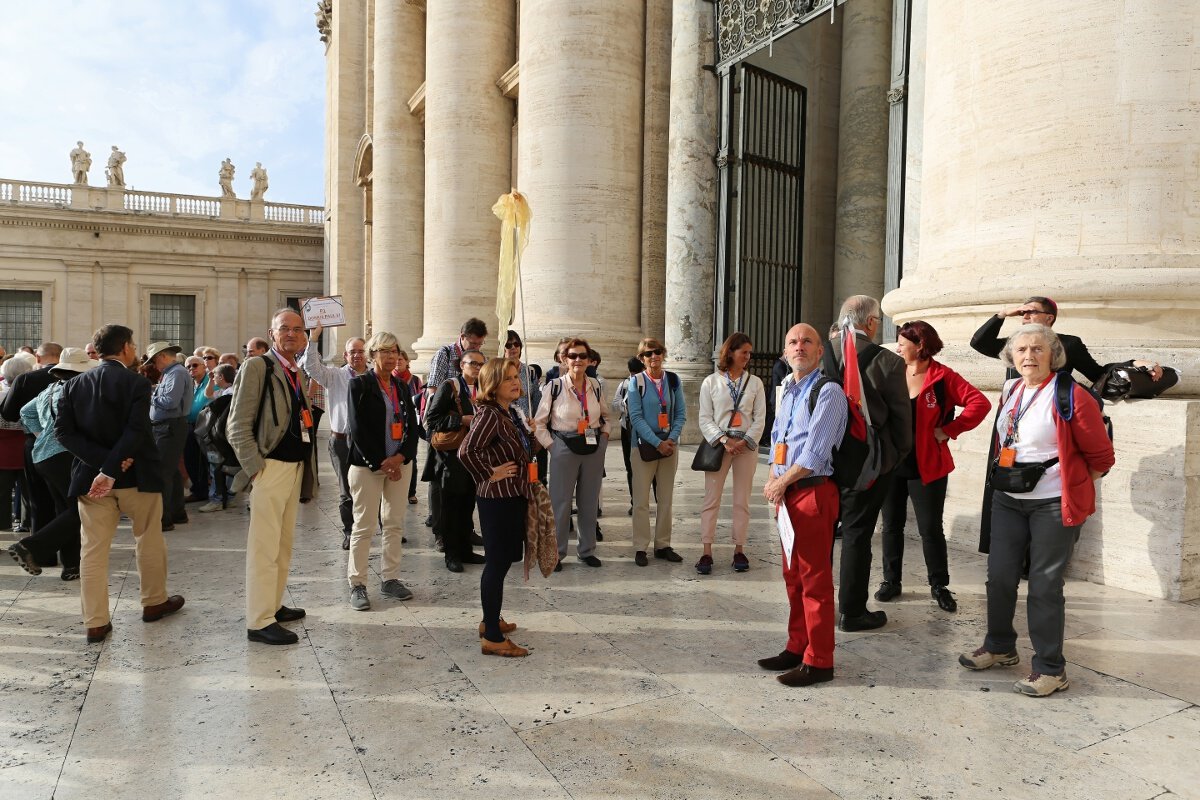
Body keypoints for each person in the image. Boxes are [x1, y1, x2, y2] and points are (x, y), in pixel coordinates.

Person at [959, 324, 1114, 697]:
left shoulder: (1072, 395)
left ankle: (1050, 668)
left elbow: (1102, 457)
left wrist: (1070, 484)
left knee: (1044, 585)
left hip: (1051, 503)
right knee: (999, 576)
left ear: (1053, 355)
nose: (1029, 356)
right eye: (1022, 349)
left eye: (1037, 349)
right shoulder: (1011, 389)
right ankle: (1000, 646)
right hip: (1008, 498)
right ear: (1011, 357)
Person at [969, 295, 1162, 553]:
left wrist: (1133, 363)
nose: (1024, 316)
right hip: (1013, 425)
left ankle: (1035, 559)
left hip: (1051, 423)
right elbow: (979, 343)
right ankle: (1005, 552)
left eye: (1030, 312)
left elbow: (1097, 372)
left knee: (1045, 495)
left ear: (1049, 318)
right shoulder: (1016, 343)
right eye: (1022, 313)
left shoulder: (1068, 343)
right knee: (1004, 484)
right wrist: (1004, 313)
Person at [54, 325, 185, 644]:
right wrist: (111, 466)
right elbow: (137, 430)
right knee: (148, 539)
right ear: (125, 347)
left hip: (91, 481)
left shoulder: (72, 386)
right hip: (136, 476)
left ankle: (96, 621)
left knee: (93, 551)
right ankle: (154, 602)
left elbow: (64, 433)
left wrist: (101, 465)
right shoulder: (136, 382)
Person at [876, 321, 991, 612]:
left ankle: (939, 585)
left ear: (921, 345)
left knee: (930, 529)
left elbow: (979, 403)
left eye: (903, 342)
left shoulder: (942, 377)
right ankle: (891, 581)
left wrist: (950, 429)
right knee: (891, 526)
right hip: (892, 463)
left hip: (928, 465)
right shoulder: (891, 370)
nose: (898, 346)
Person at [758, 323, 847, 687]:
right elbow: (778, 439)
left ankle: (820, 660)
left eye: (807, 341)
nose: (799, 346)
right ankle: (797, 645)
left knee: (814, 581)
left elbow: (814, 452)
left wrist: (780, 482)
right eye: (792, 341)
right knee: (792, 577)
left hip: (811, 491)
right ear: (784, 352)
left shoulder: (828, 392)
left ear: (820, 351)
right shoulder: (790, 391)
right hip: (787, 494)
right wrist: (771, 478)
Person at [227, 308, 317, 646]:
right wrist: (256, 468)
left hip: (294, 468)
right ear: (273, 332)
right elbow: (236, 424)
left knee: (283, 543)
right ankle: (259, 620)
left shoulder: (295, 369)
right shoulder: (257, 365)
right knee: (264, 547)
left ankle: (273, 605)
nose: (292, 334)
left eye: (298, 329)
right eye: (285, 329)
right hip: (271, 467)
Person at [826, 295, 912, 632]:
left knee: (822, 537)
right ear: (872, 323)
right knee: (857, 535)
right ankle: (852, 611)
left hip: (822, 459)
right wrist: (895, 456)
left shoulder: (823, 354)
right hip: (869, 463)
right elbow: (902, 421)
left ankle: (817, 607)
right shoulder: (889, 362)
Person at [458, 357, 537, 657]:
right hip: (497, 497)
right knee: (497, 562)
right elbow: (466, 452)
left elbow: (520, 452)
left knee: (503, 561)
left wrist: (529, 433)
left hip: (512, 494)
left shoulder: (509, 413)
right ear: (493, 384)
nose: (516, 383)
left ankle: (491, 619)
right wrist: (490, 472)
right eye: (509, 379)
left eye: (516, 377)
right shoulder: (489, 414)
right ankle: (491, 635)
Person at [345, 331, 419, 610]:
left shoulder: (401, 387)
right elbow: (358, 429)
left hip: (399, 465)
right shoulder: (360, 385)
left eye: (394, 352)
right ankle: (358, 584)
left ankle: (390, 578)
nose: (390, 357)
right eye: (384, 352)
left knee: (394, 524)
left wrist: (400, 457)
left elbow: (412, 427)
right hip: (368, 466)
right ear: (372, 354)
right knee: (363, 526)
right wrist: (382, 463)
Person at [9, 349, 96, 580]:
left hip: (43, 456)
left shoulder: (50, 389)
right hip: (64, 455)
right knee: (82, 509)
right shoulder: (75, 390)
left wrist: (41, 435)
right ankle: (30, 548)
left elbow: (25, 412)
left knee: (66, 510)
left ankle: (71, 567)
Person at [534, 338, 611, 569]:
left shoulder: (595, 386)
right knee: (560, 503)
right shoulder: (554, 386)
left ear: (590, 360)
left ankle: (586, 550)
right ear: (564, 360)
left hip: (592, 447)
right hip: (563, 447)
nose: (578, 360)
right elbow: (539, 423)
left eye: (582, 356)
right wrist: (552, 447)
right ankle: (556, 553)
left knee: (589, 502)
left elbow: (605, 416)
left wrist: (604, 439)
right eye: (573, 356)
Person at [697, 332, 767, 574]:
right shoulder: (711, 382)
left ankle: (739, 548)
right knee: (711, 499)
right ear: (730, 352)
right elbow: (705, 418)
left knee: (742, 500)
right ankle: (706, 551)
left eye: (749, 352)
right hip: (719, 446)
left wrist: (745, 441)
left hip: (746, 447)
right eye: (743, 352)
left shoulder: (755, 382)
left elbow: (760, 418)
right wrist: (725, 440)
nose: (748, 356)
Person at [302, 324, 368, 548]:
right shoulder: (335, 376)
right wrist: (313, 339)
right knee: (346, 490)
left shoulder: (375, 378)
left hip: (368, 442)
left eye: (361, 351)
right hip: (341, 441)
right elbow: (311, 367)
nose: (357, 355)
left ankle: (377, 525)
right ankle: (349, 531)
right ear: (346, 355)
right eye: (353, 351)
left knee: (372, 487)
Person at [424, 349, 487, 572]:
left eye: (481, 364)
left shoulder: (484, 388)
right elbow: (432, 419)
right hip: (451, 457)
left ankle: (465, 550)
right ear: (461, 365)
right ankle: (452, 554)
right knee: (451, 506)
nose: (478, 368)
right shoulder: (450, 386)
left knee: (468, 504)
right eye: (473, 364)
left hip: (475, 456)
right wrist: (461, 419)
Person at [626, 337, 686, 566]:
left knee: (666, 499)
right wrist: (656, 442)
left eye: (658, 351)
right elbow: (636, 417)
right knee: (641, 500)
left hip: (669, 446)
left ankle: (663, 544)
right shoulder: (637, 382)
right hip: (643, 447)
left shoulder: (672, 380)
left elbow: (680, 413)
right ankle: (640, 546)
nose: (654, 357)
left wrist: (670, 439)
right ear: (642, 358)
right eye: (649, 353)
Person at [1, 342, 63, 534]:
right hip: (68, 444)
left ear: (37, 358)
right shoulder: (77, 378)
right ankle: (68, 552)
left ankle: (43, 551)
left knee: (38, 498)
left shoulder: (25, 380)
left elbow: (9, 414)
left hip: (34, 443)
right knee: (64, 499)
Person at [145, 342, 191, 532]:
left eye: (155, 361)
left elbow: (170, 402)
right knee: (171, 471)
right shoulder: (173, 373)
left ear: (162, 356)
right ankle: (177, 512)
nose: (155, 366)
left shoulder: (176, 373)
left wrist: (150, 395)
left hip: (169, 427)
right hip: (169, 427)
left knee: (162, 473)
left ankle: (163, 519)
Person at [503, 331, 543, 481]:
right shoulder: (497, 370)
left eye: (516, 344)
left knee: (529, 471)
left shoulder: (530, 372)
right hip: (505, 426)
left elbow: (536, 400)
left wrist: (537, 425)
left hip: (526, 428)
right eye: (508, 344)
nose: (513, 348)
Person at [612, 356, 646, 514]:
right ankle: (635, 502)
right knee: (630, 466)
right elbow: (615, 403)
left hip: (646, 429)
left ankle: (652, 501)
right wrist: (625, 404)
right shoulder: (624, 384)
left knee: (650, 467)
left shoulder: (648, 383)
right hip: (628, 427)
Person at [391, 348, 425, 504]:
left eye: (401, 359)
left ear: (407, 362)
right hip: (393, 424)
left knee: (411, 458)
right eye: (396, 359)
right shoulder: (388, 379)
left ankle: (411, 492)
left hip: (411, 422)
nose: (398, 362)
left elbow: (421, 401)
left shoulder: (415, 380)